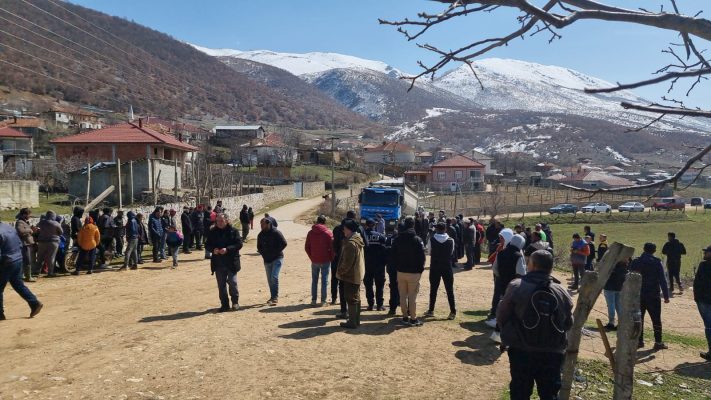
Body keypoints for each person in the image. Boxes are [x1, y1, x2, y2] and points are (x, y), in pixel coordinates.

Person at [497, 250, 573, 400]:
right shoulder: (562, 291)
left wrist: (507, 336)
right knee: (549, 393)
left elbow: (502, 315)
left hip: (521, 348)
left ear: (532, 265)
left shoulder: (517, 286)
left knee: (520, 391)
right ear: (551, 268)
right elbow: (568, 323)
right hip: (552, 351)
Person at [0, 220, 43, 320]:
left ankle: (0, 314)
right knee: (18, 284)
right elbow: (20, 244)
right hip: (17, 259)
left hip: (6, 262)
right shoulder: (9, 227)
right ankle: (34, 303)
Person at [630, 243, 670, 350]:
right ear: (654, 251)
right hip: (653, 294)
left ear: (643, 249)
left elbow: (630, 278)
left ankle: (639, 340)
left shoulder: (636, 261)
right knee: (656, 319)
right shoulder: (657, 262)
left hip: (638, 294)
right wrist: (666, 296)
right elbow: (662, 280)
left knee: (638, 318)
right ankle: (658, 341)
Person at [490, 233, 527, 343]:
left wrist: (501, 277)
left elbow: (495, 269)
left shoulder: (501, 253)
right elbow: (521, 273)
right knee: (514, 312)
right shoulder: (518, 256)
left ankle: (497, 335)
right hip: (515, 287)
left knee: (502, 309)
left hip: (502, 284)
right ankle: (511, 337)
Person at [391, 217, 426, 326]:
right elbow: (422, 257)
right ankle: (413, 319)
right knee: (412, 297)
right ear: (413, 225)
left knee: (402, 295)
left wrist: (397, 267)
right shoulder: (417, 239)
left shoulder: (397, 239)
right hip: (414, 273)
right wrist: (420, 270)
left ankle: (405, 317)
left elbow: (393, 255)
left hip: (401, 272)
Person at [205, 213, 243, 312]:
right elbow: (207, 245)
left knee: (233, 283)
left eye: (221, 221)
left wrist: (228, 249)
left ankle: (235, 302)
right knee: (221, 285)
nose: (219, 223)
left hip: (231, 262)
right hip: (218, 263)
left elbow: (239, 244)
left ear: (226, 220)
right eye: (217, 221)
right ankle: (224, 305)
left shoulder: (233, 231)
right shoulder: (213, 232)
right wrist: (213, 250)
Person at [335, 219, 365, 329]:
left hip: (351, 275)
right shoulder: (357, 239)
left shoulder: (351, 243)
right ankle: (356, 320)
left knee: (350, 298)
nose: (343, 230)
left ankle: (352, 322)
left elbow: (347, 262)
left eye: (345, 228)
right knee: (355, 298)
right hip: (356, 273)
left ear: (349, 229)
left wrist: (340, 272)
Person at [425, 222, 456, 320]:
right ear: (445, 229)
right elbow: (451, 253)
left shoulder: (432, 239)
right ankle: (453, 311)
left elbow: (429, 252)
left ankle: (431, 310)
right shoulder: (451, 240)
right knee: (449, 290)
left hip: (435, 266)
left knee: (433, 289)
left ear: (436, 229)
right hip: (447, 267)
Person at [485, 228, 515, 329]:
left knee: (504, 298)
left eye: (502, 238)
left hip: (506, 278)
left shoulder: (513, 250)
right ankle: (494, 314)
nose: (500, 240)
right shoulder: (500, 247)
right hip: (498, 276)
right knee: (497, 295)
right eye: (500, 238)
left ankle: (500, 320)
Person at [257, 217, 287, 305]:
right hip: (267, 260)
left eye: (263, 224)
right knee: (270, 279)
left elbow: (284, 243)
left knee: (274, 277)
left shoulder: (276, 232)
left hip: (277, 258)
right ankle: (272, 296)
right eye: (261, 224)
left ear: (268, 223)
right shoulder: (260, 235)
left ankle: (275, 297)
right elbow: (259, 247)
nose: (261, 226)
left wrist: (275, 252)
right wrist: (263, 254)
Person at [304, 215, 333, 306]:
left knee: (314, 280)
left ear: (317, 221)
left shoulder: (310, 233)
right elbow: (332, 248)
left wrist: (312, 257)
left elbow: (306, 247)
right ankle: (323, 301)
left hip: (315, 260)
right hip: (325, 260)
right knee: (324, 281)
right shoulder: (328, 233)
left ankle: (313, 300)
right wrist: (331, 258)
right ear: (325, 222)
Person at [363, 219, 387, 311]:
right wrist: (384, 263)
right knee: (379, 285)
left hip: (367, 265)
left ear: (366, 225)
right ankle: (379, 305)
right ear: (374, 226)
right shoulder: (380, 236)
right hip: (379, 265)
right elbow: (385, 251)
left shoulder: (362, 236)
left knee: (368, 285)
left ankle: (370, 304)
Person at [694, 246, 711, 360]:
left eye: (706, 252)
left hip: (705, 300)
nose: (704, 253)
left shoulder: (704, 265)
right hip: (704, 300)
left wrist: (697, 298)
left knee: (709, 327)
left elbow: (697, 282)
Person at [603, 260, 629, 330]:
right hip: (619, 287)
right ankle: (620, 323)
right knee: (618, 306)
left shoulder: (611, 264)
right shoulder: (625, 266)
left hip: (609, 287)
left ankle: (611, 323)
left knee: (611, 305)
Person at [36, 211, 63, 277]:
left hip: (41, 242)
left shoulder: (41, 222)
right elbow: (61, 232)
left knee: (40, 257)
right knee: (51, 257)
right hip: (53, 242)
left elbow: (37, 230)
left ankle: (37, 271)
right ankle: (50, 272)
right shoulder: (56, 223)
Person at [15, 208, 36, 282]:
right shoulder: (20, 222)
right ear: (24, 214)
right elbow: (20, 231)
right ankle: (28, 277)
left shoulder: (25, 222)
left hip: (27, 243)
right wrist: (30, 230)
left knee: (26, 260)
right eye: (29, 214)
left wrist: (33, 229)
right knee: (27, 260)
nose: (30, 216)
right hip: (24, 244)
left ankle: (24, 275)